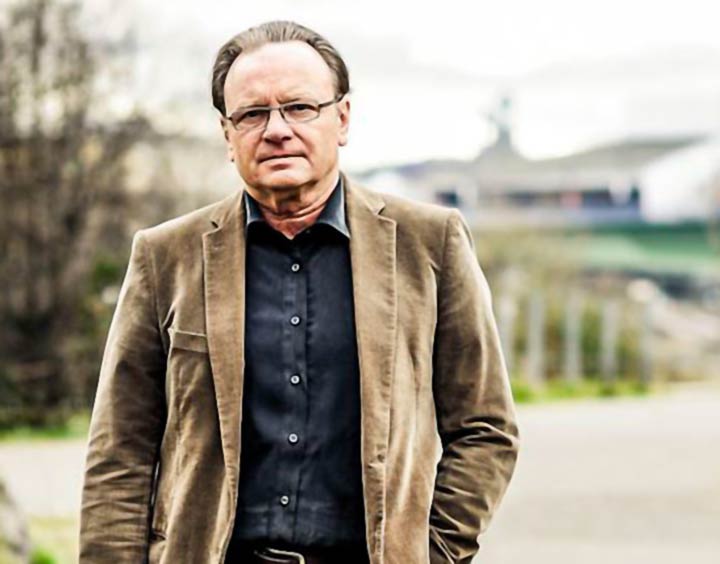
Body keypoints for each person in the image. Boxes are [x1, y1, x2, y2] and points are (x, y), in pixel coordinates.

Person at [79, 20, 519, 564]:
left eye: (299, 107)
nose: (276, 130)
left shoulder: (431, 244)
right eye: (252, 114)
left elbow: (485, 427)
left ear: (342, 118)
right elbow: (119, 449)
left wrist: (433, 552)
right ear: (227, 134)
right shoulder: (165, 256)